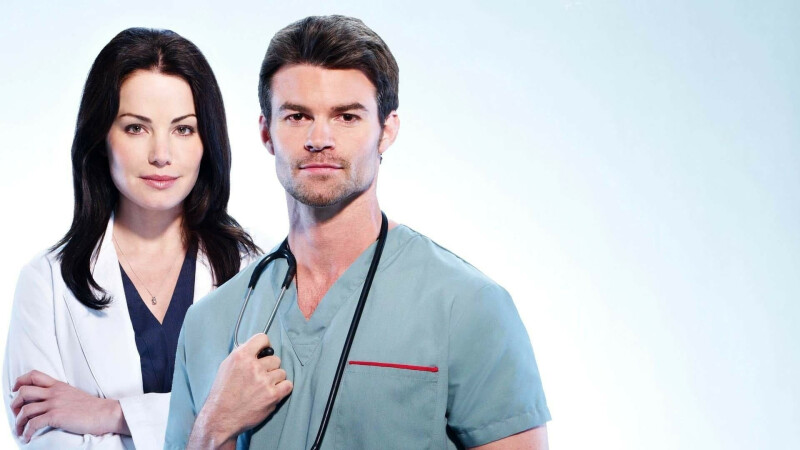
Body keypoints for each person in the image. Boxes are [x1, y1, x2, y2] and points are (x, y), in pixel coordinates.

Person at [165, 15, 550, 449]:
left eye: (347, 116)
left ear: (386, 130)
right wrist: (213, 426)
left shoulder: (467, 306)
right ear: (266, 132)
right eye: (297, 116)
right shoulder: (209, 323)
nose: (319, 138)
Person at [2, 28, 260, 449]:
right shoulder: (44, 284)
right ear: (102, 138)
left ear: (207, 142)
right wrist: (209, 423)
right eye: (136, 128)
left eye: (183, 129)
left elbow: (264, 428)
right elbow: (44, 439)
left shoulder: (253, 273)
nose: (161, 154)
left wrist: (112, 414)